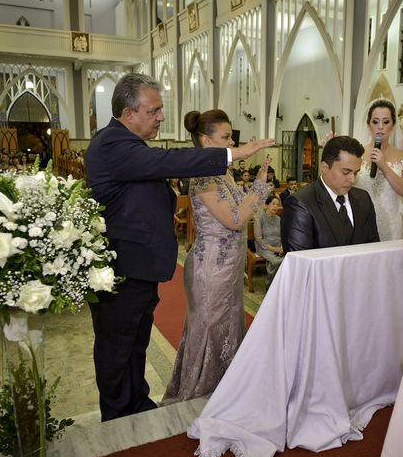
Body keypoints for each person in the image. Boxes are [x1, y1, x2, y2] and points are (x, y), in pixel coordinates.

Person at [84, 73, 274, 421]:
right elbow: (168, 162)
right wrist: (234, 153)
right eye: (154, 110)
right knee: (117, 346)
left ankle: (136, 404)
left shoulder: (129, 144)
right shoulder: (112, 143)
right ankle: (116, 416)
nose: (160, 117)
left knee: (135, 343)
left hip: (139, 266)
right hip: (121, 267)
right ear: (129, 114)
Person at [164, 109, 272, 404]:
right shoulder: (202, 178)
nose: (231, 143)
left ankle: (228, 387)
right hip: (211, 266)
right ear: (205, 140)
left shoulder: (222, 173)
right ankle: (199, 391)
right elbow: (236, 219)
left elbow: (244, 212)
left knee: (230, 323)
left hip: (231, 265)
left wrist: (257, 182)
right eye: (225, 138)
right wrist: (261, 188)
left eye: (231, 137)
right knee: (210, 326)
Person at [281, 136, 379, 252]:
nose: (352, 179)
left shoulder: (363, 198)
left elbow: (373, 248)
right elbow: (301, 263)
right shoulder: (300, 205)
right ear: (325, 168)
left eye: (356, 173)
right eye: (346, 172)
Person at [354, 99, 403, 240]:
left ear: (393, 125)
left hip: (392, 228)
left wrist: (384, 167)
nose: (380, 127)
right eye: (375, 122)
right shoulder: (356, 154)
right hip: (361, 223)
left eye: (386, 122)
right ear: (368, 125)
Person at [254, 195, 284, 289]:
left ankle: (282, 286)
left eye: (277, 205)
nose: (276, 206)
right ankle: (271, 287)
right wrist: (273, 249)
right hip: (264, 247)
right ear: (266, 205)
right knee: (276, 262)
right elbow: (258, 239)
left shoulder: (278, 219)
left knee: (289, 259)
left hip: (279, 247)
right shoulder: (259, 218)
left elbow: (282, 235)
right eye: (273, 204)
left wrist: (282, 247)